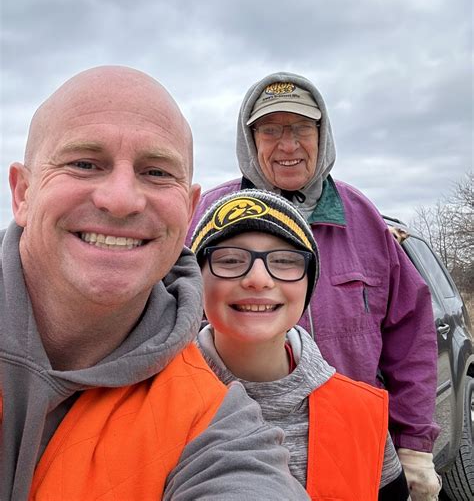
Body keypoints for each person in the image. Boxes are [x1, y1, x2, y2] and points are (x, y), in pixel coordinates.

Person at [0, 66, 310, 500]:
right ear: (22, 194)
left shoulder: (215, 421)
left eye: (157, 172)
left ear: (187, 210)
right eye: (84, 163)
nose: (122, 199)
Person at [187, 71, 441, 501]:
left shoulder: (363, 219)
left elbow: (411, 336)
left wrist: (414, 445)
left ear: (322, 136)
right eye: (270, 130)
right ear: (249, 141)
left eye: (302, 127)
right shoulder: (209, 215)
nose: (288, 145)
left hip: (350, 452)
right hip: (221, 439)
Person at [190, 188, 409, 500]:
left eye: (283, 260)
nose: (258, 278)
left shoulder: (360, 413)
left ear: (308, 283)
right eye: (230, 259)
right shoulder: (152, 402)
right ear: (197, 277)